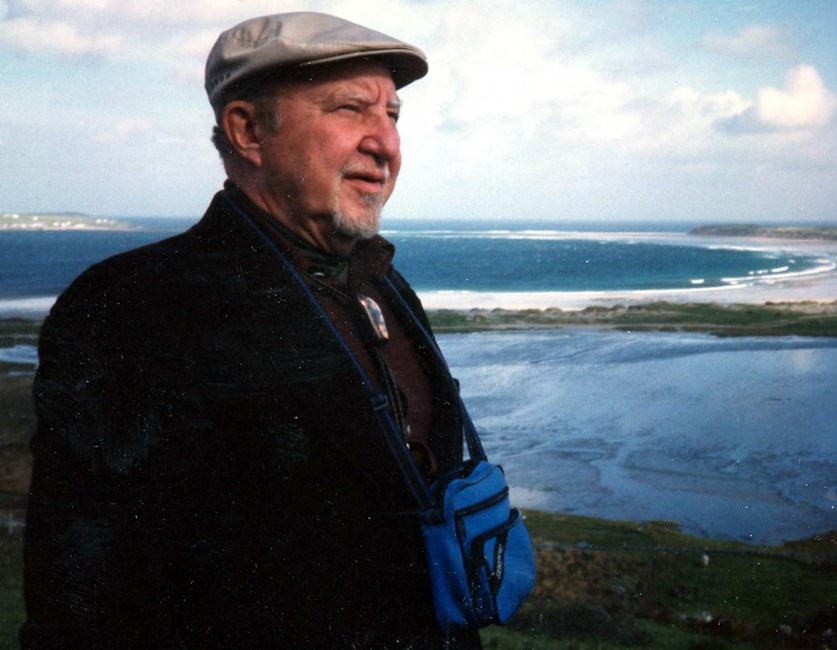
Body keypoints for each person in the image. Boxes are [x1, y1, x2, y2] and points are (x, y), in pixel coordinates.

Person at [21, 12, 483, 649]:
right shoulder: (136, 305)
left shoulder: (385, 284)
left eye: (393, 115)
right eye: (351, 109)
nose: (386, 144)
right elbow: (80, 600)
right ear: (248, 130)